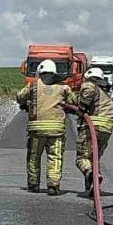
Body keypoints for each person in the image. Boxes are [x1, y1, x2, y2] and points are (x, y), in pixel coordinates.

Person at [16, 59, 76, 195]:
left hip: (36, 129)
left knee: (34, 157)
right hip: (57, 129)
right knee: (55, 157)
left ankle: (33, 184)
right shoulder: (63, 87)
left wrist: (27, 102)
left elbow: (20, 97)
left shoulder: (33, 85)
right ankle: (53, 186)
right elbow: (74, 102)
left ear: (40, 71)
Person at [75, 68, 113, 195]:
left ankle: (92, 174)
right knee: (94, 158)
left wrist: (81, 107)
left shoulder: (90, 85)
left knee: (82, 158)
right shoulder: (105, 94)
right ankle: (93, 184)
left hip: (92, 126)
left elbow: (88, 93)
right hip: (106, 129)